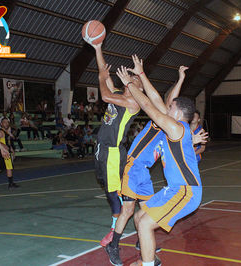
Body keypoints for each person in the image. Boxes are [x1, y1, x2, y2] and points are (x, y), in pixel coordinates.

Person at [104, 66, 197, 265]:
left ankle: (145, 258)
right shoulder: (170, 125)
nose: (166, 108)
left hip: (177, 188)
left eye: (171, 108)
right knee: (136, 215)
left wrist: (131, 82)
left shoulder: (172, 126)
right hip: (149, 175)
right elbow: (154, 101)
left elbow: (150, 103)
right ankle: (140, 253)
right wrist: (143, 75)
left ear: (177, 113)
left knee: (144, 222)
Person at [92, 42, 142, 247]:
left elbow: (104, 94)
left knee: (112, 193)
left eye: (136, 79)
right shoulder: (121, 95)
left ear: (138, 88)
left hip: (112, 153)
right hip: (102, 150)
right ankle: (137, 224)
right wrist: (97, 48)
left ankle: (115, 230)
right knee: (112, 191)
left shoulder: (133, 103)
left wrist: (100, 78)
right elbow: (105, 73)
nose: (132, 78)